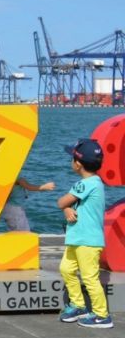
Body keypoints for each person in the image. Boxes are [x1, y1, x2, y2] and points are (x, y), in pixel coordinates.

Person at [57, 139, 111, 328]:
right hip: (78, 238)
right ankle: (79, 305)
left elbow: (62, 201)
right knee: (66, 269)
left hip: (87, 240)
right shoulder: (94, 182)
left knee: (89, 277)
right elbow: (68, 205)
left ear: (78, 164)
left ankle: (101, 315)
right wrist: (67, 210)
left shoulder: (85, 184)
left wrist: (64, 207)